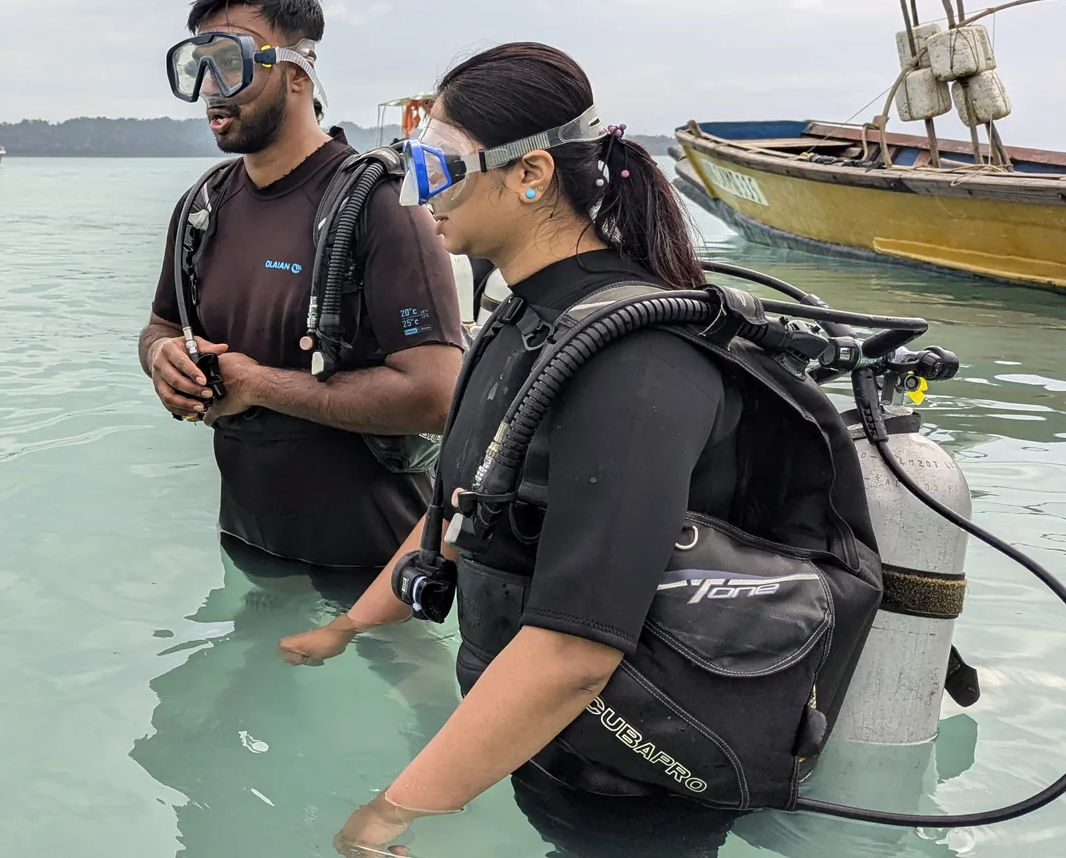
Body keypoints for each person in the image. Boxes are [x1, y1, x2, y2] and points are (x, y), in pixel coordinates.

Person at [276, 43, 871, 857]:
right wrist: (347, 627)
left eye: (438, 164)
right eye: (411, 162)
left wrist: (394, 810)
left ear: (532, 174)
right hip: (550, 749)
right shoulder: (523, 324)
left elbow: (576, 652)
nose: (418, 195)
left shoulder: (633, 363)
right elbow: (463, 517)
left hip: (637, 782)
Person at [139, 0, 465, 571]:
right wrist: (161, 360)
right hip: (246, 545)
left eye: (229, 61)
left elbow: (438, 395)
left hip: (372, 571)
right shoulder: (201, 209)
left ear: (296, 74)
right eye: (197, 64)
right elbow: (160, 326)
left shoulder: (377, 206)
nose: (213, 86)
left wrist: (257, 385)